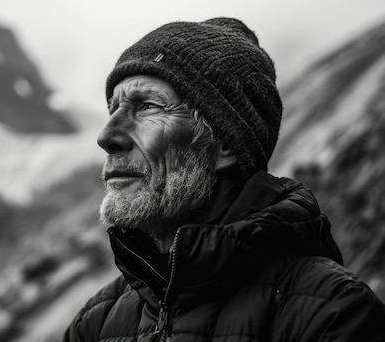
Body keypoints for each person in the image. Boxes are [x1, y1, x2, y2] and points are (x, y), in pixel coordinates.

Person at [63, 17, 385, 342]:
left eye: (147, 106)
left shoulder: (332, 314)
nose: (107, 136)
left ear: (226, 144)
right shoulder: (95, 323)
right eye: (113, 108)